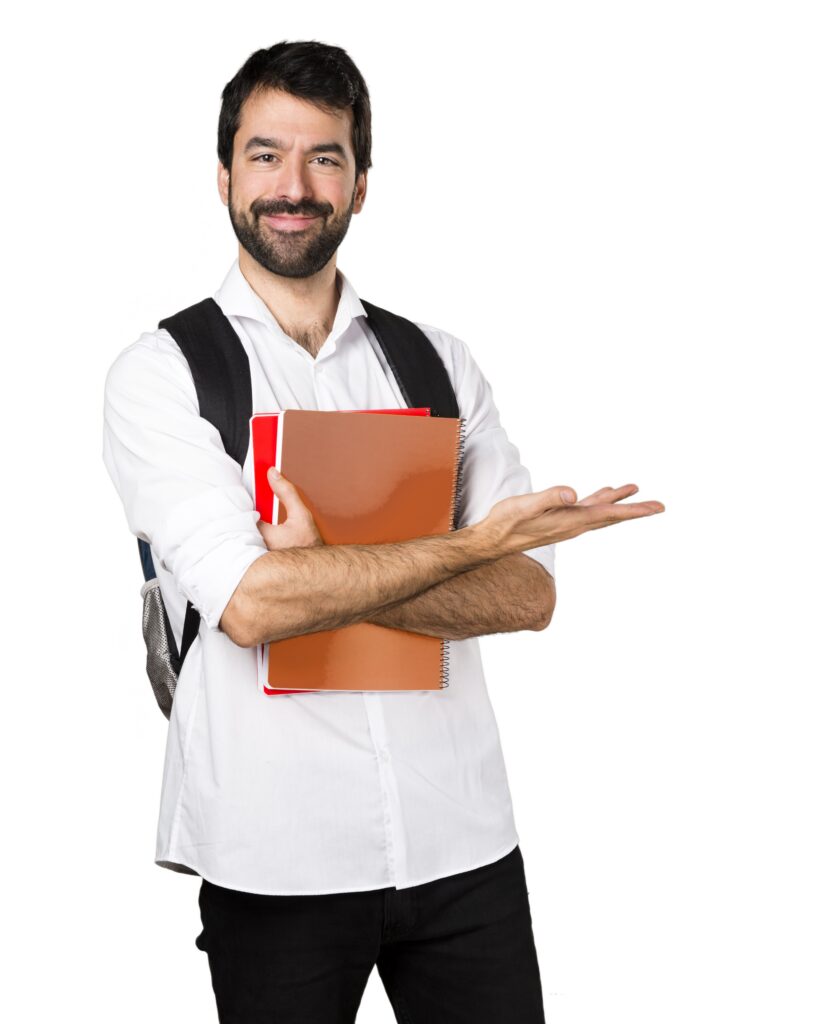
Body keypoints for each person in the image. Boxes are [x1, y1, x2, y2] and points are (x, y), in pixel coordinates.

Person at [102, 40, 664, 1024]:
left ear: (360, 185)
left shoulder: (437, 364)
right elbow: (250, 606)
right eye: (266, 155)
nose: (293, 185)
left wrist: (323, 567)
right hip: (273, 858)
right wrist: (471, 545)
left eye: (324, 157)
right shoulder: (163, 374)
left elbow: (529, 596)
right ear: (224, 176)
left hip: (463, 845)